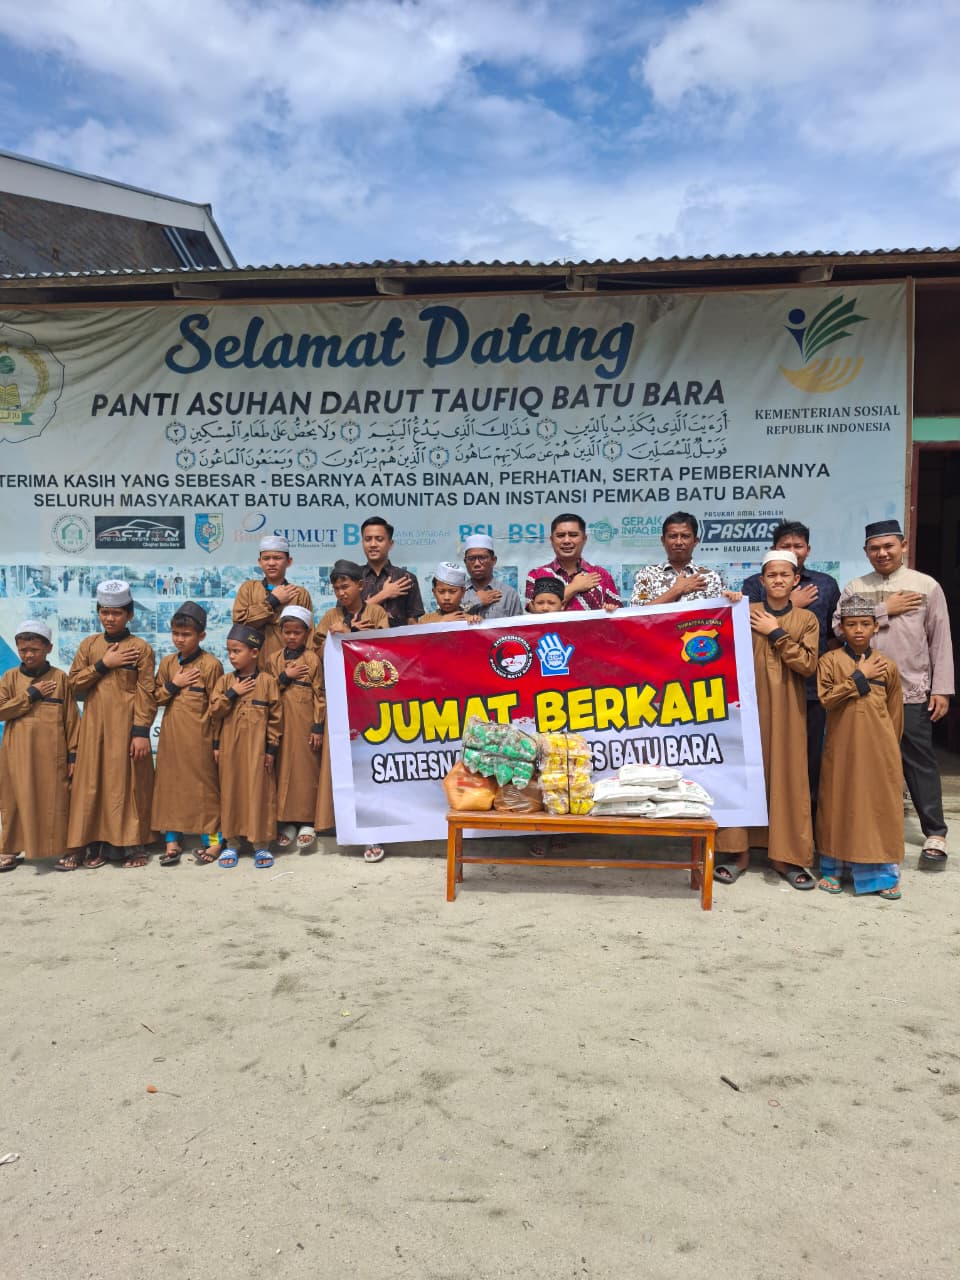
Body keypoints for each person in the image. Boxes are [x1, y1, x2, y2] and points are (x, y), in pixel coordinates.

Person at [835, 518, 954, 868]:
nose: (882, 553)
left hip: (911, 689)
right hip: (864, 689)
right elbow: (838, 627)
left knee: (918, 761)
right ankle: (870, 827)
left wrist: (942, 689)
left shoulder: (925, 585)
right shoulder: (856, 586)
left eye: (888, 546)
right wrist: (885, 610)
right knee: (865, 759)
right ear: (866, 552)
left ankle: (935, 832)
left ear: (903, 546)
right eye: (874, 548)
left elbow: (940, 639)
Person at [713, 550, 819, 889]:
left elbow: (808, 665)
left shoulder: (806, 619)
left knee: (786, 777)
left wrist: (776, 633)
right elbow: (715, 639)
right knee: (742, 776)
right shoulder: (745, 611)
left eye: (784, 574)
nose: (778, 580)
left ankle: (784, 856)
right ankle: (737, 854)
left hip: (787, 711)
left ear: (796, 580)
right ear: (762, 580)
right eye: (771, 575)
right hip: (745, 711)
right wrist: (726, 604)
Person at [742, 520, 840, 810]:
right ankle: (760, 824)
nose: (793, 551)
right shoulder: (752, 585)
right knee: (761, 759)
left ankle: (802, 823)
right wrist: (792, 605)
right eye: (786, 546)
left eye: (799, 546)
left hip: (807, 688)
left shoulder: (825, 584)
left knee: (804, 759)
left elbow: (835, 634)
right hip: (761, 692)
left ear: (808, 550)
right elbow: (754, 618)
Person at [816, 595, 905, 900]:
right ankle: (833, 870)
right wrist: (860, 677)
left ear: (875, 627)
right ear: (841, 627)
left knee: (877, 806)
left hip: (879, 749)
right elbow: (827, 699)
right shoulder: (829, 661)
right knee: (838, 802)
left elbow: (895, 715)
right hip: (841, 746)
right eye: (851, 624)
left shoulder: (887, 666)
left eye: (864, 624)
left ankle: (880, 876)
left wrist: (889, 750)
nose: (858, 630)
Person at [67, 580, 156, 868]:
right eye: (104, 612)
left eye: (116, 613)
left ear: (130, 615)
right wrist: (104, 664)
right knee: (93, 784)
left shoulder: (140, 648)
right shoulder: (89, 645)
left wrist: (141, 732)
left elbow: (146, 692)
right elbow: (73, 685)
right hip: (94, 728)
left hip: (126, 729)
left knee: (126, 786)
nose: (110, 618)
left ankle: (132, 847)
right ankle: (95, 845)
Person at [313, 560, 390, 861]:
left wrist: (354, 635)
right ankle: (342, 828)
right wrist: (335, 637)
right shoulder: (330, 617)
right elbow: (317, 654)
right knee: (341, 768)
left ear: (361, 585)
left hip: (368, 702)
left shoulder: (377, 613)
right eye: (336, 588)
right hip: (339, 701)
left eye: (346, 586)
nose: (341, 592)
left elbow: (384, 652)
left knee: (368, 766)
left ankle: (373, 833)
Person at [0, 620, 80, 872]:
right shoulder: (10, 678)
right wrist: (30, 695)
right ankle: (9, 848)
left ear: (48, 648)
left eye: (34, 649)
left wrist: (73, 755)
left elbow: (71, 719)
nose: (28, 655)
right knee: (14, 801)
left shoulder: (59, 678)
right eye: (23, 650)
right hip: (17, 754)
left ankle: (66, 849)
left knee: (57, 801)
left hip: (53, 756)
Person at [151, 601, 224, 867]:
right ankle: (172, 841)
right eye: (175, 634)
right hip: (171, 739)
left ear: (201, 635)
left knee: (204, 789)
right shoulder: (168, 663)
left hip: (200, 739)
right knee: (169, 787)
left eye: (186, 634)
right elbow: (156, 697)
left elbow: (218, 708)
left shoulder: (211, 665)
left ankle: (213, 841)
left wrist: (216, 743)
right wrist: (174, 684)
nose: (180, 639)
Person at [209, 624, 282, 869]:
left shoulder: (267, 682)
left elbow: (276, 719)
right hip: (230, 749)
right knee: (231, 792)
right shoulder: (224, 682)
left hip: (257, 750)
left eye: (237, 651)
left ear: (254, 652)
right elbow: (215, 712)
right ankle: (232, 843)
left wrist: (271, 750)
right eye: (229, 651)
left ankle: (261, 844)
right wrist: (233, 692)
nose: (231, 656)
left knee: (259, 792)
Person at [270, 604, 324, 853]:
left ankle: (307, 822)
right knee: (282, 772)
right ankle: (288, 821)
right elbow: (267, 690)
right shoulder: (274, 659)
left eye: (297, 632)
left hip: (304, 725)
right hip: (279, 725)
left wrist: (317, 727)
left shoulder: (312, 659)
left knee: (306, 772)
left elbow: (319, 695)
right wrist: (285, 676)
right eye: (287, 632)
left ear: (307, 633)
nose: (291, 637)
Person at [232, 534, 313, 666]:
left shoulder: (299, 594)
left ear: (289, 561)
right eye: (266, 558)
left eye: (277, 558)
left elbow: (309, 635)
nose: (271, 563)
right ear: (259, 562)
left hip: (290, 666)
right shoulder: (248, 589)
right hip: (254, 666)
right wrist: (272, 601)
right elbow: (240, 625)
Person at [525, 513, 620, 612]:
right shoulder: (536, 575)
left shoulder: (601, 575)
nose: (566, 540)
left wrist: (610, 611)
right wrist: (574, 587)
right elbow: (534, 611)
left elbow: (618, 614)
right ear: (552, 540)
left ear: (584, 539)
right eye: (560, 535)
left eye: (573, 535)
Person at [630, 512, 730, 606]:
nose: (678, 542)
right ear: (663, 540)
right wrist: (676, 590)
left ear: (695, 541)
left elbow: (721, 613)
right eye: (673, 536)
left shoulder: (710, 577)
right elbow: (637, 613)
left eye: (685, 536)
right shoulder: (647, 575)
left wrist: (732, 600)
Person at [359, 516, 425, 627]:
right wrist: (384, 594)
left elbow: (412, 623)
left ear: (390, 544)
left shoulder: (405, 579)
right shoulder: (353, 578)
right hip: (359, 638)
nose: (373, 544)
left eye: (379, 539)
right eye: (368, 539)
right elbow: (344, 618)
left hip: (398, 638)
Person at [462, 535, 523, 618]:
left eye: (482, 558)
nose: (477, 564)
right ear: (465, 562)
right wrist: (475, 601)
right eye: (471, 558)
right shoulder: (457, 592)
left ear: (493, 560)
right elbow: (449, 617)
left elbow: (518, 625)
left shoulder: (509, 594)